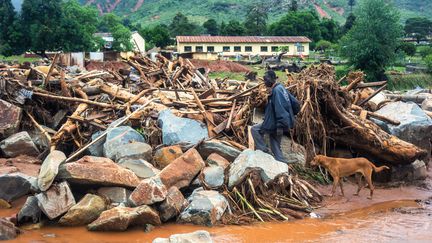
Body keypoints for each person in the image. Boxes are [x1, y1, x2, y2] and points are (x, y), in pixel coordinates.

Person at [251, 70, 300, 163]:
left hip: (276, 123)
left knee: (254, 130)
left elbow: (280, 109)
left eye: (266, 80)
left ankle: (264, 152)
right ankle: (280, 160)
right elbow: (296, 103)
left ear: (272, 79)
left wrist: (280, 125)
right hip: (279, 122)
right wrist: (291, 117)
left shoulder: (277, 91)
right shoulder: (281, 88)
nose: (264, 82)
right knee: (274, 141)